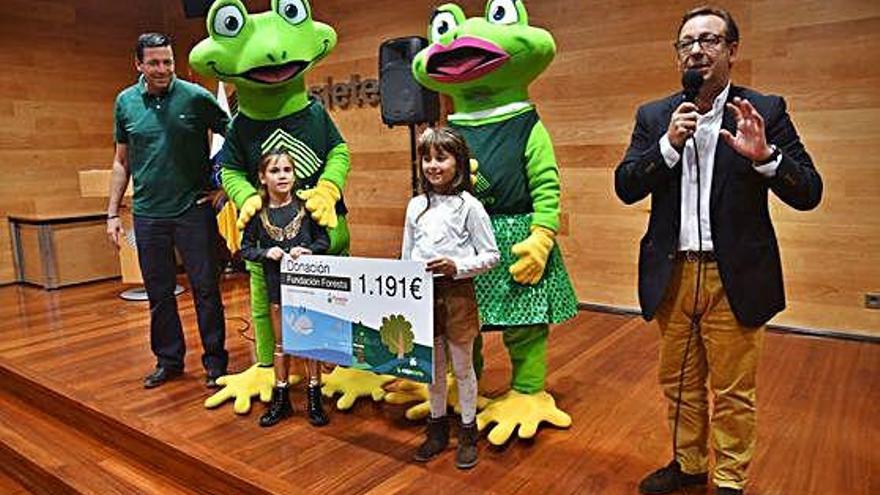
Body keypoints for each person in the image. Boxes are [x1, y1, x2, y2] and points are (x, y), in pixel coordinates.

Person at [614, 7, 822, 495]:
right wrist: (665, 147)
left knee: (731, 391)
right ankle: (688, 465)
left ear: (732, 50)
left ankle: (730, 480)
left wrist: (767, 158)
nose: (696, 50)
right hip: (674, 273)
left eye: (709, 40)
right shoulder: (655, 116)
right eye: (686, 43)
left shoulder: (764, 111)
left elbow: (809, 190)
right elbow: (625, 186)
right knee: (680, 384)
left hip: (735, 276)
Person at [107, 33, 230, 389]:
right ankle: (169, 360)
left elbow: (233, 137)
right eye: (155, 63)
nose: (163, 69)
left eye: (168, 62)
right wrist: (112, 213)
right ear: (139, 65)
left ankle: (215, 362)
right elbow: (120, 160)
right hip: (148, 214)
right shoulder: (125, 103)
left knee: (206, 289)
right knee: (159, 292)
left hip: (194, 211)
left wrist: (226, 188)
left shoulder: (196, 98)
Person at [402, 127, 499, 469]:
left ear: (457, 163)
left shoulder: (469, 206)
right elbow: (406, 255)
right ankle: (437, 429)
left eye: (441, 158)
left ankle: (468, 431)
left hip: (457, 294)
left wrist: (456, 266)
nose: (432, 165)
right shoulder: (415, 206)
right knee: (433, 368)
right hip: (423, 297)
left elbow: (491, 255)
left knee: (462, 367)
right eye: (426, 158)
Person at [240, 150, 330, 428]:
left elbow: (324, 241)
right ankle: (282, 399)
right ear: (262, 177)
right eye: (275, 171)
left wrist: (309, 251)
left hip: (307, 288)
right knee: (281, 344)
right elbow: (245, 248)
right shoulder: (258, 213)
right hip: (277, 287)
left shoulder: (306, 208)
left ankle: (315, 396)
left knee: (311, 342)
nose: (282, 176)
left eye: (287, 170)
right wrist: (267, 253)